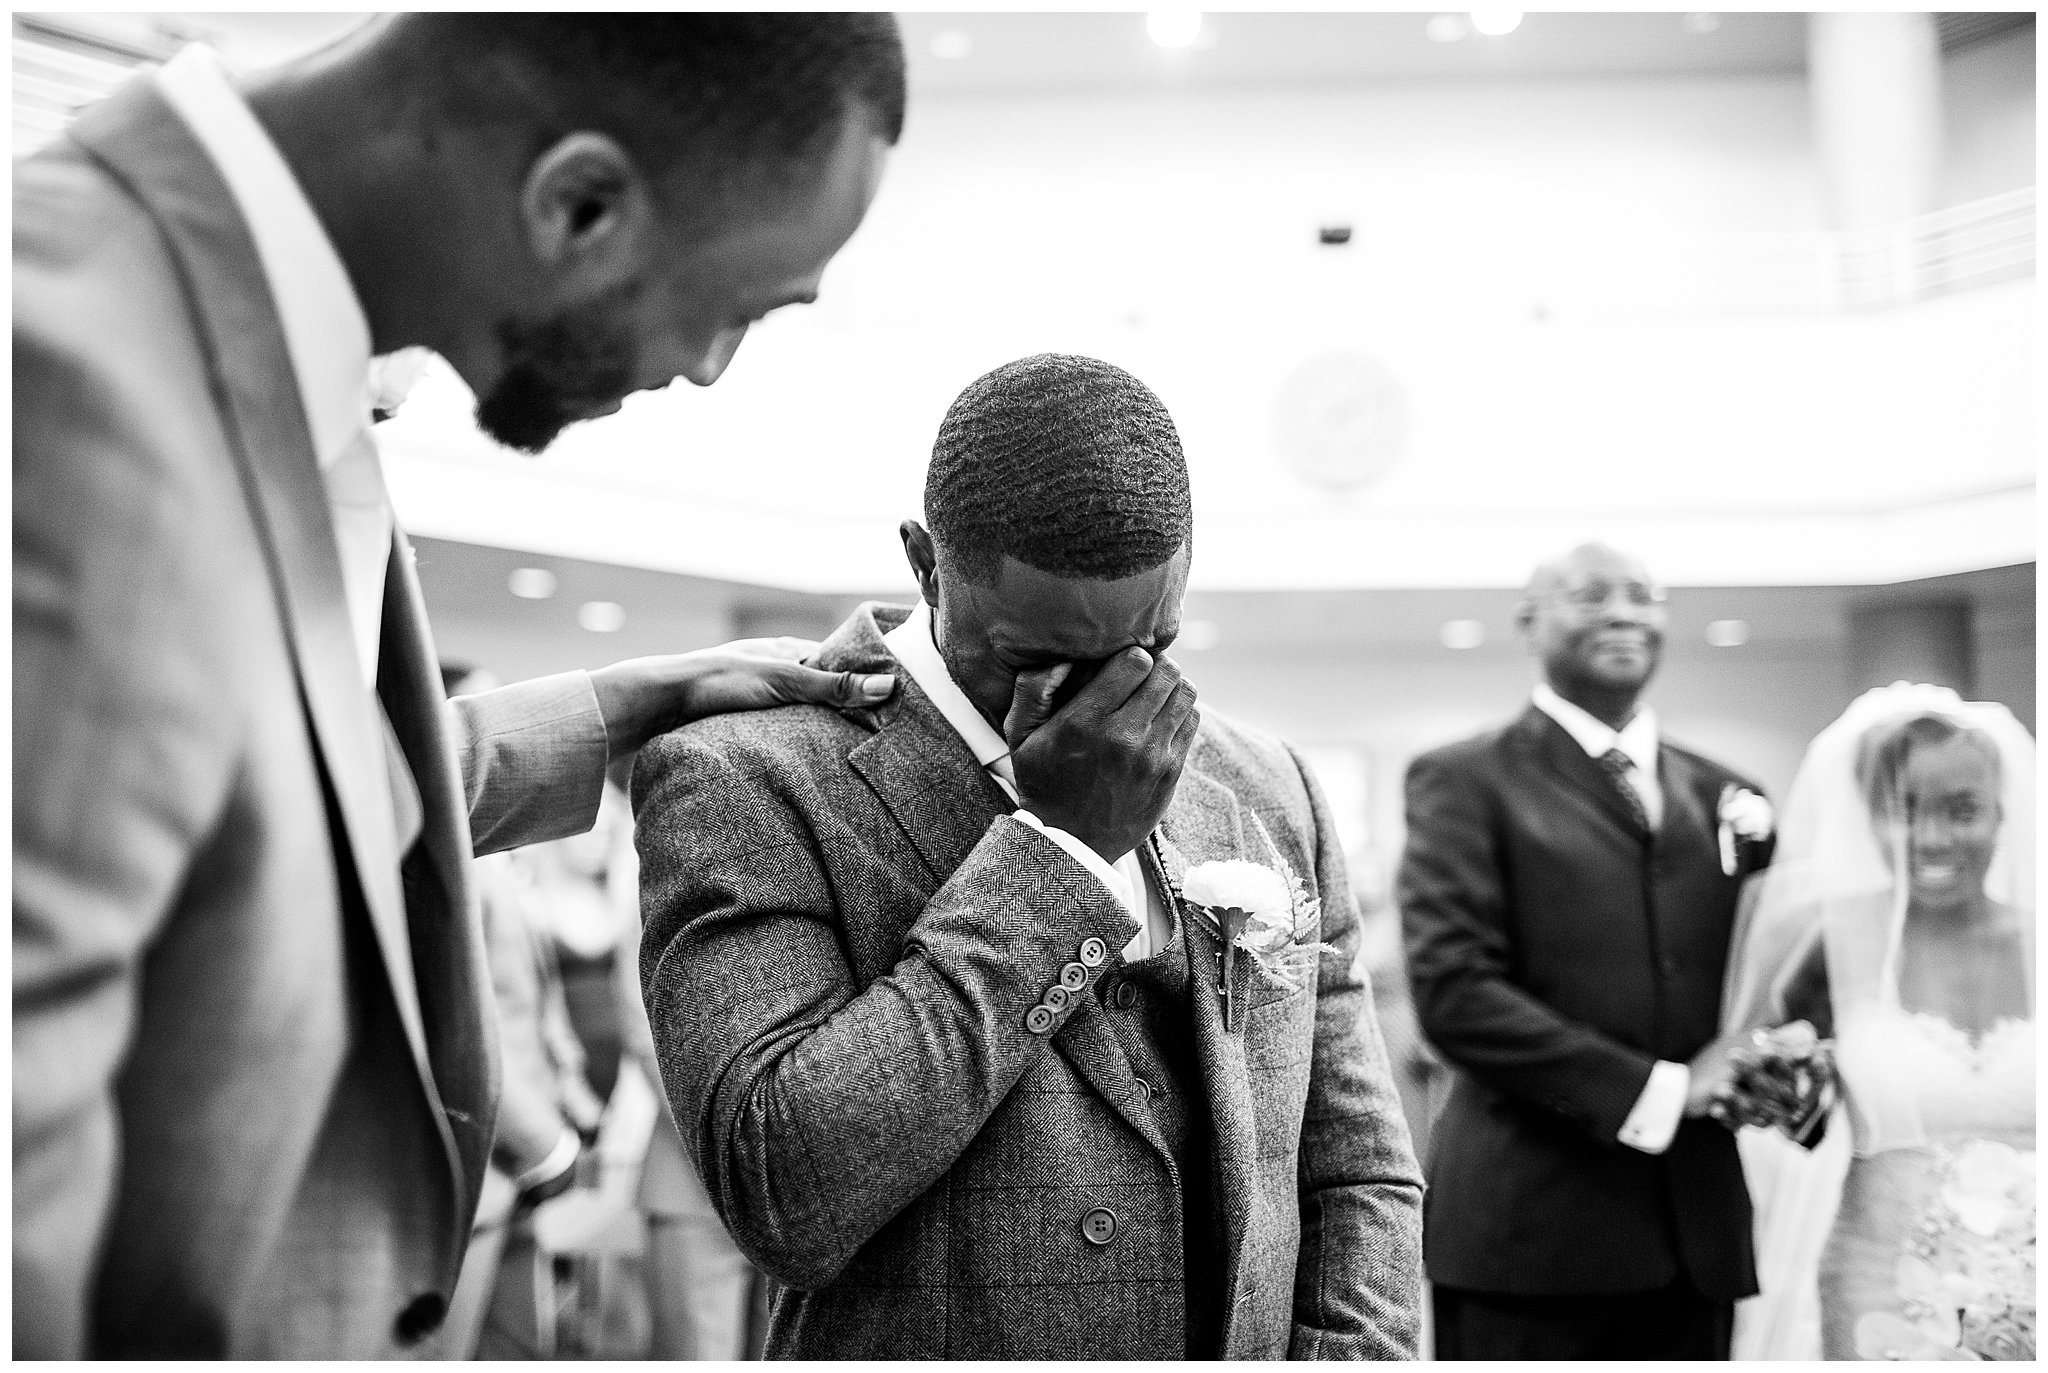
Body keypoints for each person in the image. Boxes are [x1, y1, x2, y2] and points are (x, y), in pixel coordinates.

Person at [13, 16, 905, 1358]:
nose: (707, 371)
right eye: (737, 309)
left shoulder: (286, 361)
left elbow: (292, 800)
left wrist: (628, 709)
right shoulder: (65, 379)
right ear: (578, 203)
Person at [633, 354, 1425, 1359]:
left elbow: (1354, 1170)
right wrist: (1060, 851)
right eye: (1032, 658)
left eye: (1149, 644)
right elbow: (786, 1188)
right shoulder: (747, 776)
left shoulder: (1268, 787)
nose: (1102, 701)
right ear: (925, 564)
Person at [1397, 542, 1793, 1360]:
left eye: (1643, 596)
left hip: (1697, 1234)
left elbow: (1772, 972)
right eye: (1591, 595)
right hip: (1533, 1234)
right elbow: (1455, 994)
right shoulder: (1464, 779)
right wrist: (1666, 1090)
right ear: (1529, 621)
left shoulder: (1731, 793)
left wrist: (1781, 1056)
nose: (1622, 613)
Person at [1723, 684, 2034, 1361]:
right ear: (1866, 815)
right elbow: (1767, 1101)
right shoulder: (1829, 938)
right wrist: (1786, 1084)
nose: (1933, 837)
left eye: (1964, 810)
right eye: (1905, 810)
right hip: (1882, 1280)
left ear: (2003, 813)